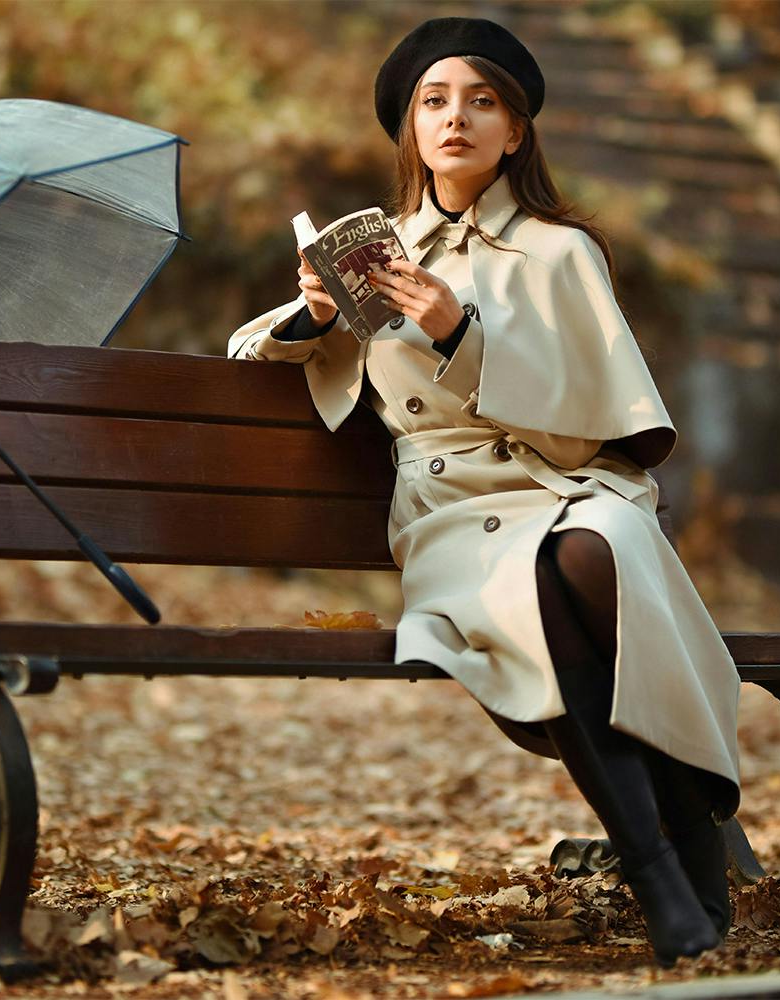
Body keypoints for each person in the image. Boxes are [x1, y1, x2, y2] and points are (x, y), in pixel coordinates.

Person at [228, 16, 740, 967]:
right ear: (410, 132)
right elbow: (247, 355)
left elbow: (601, 429)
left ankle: (680, 851)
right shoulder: (375, 261)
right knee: (538, 586)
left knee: (585, 554)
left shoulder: (558, 251)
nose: (455, 118)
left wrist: (464, 334)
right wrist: (318, 313)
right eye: (433, 101)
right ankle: (669, 868)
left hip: (572, 485)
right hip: (451, 513)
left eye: (481, 101)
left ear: (515, 131)